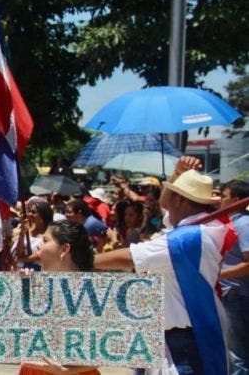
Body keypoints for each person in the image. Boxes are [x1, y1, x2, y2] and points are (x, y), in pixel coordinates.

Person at [96, 158, 233, 375]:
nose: (166, 203)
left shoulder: (187, 238)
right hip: (180, 335)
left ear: (180, 200)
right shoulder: (202, 226)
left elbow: (131, 257)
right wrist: (177, 174)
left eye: (173, 195)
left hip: (184, 342)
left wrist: (80, 262)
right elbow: (164, 204)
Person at [19, 220, 100, 375]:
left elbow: (112, 349)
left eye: (45, 240)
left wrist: (66, 370)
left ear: (65, 249)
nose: (38, 246)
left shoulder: (93, 293)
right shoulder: (36, 285)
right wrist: (26, 293)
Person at [219, 179, 249, 374]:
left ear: (236, 200)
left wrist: (219, 274)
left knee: (237, 355)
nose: (220, 200)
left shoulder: (244, 223)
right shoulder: (233, 222)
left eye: (224, 196)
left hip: (236, 295)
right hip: (230, 294)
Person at [13, 198, 54, 270]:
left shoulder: (50, 233)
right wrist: (22, 233)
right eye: (30, 211)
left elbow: (42, 254)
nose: (30, 214)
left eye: (33, 212)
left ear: (42, 215)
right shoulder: (27, 230)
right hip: (24, 270)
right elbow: (19, 253)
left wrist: (23, 259)